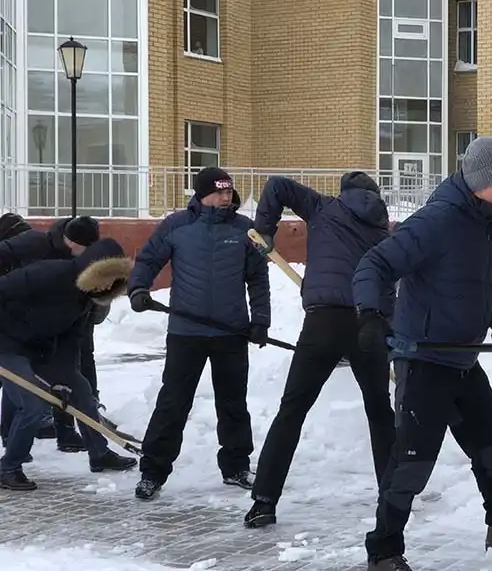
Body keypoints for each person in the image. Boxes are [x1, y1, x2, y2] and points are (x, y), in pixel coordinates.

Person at [353, 136, 492, 571]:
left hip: (463, 358)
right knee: (412, 462)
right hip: (424, 358)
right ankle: (384, 551)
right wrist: (369, 314)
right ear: (485, 181)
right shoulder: (437, 221)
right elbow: (375, 264)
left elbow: (487, 287)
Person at [243, 171, 396, 529]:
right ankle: (392, 495)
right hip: (368, 324)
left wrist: (266, 229)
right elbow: (391, 281)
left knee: (292, 410)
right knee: (379, 411)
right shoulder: (382, 231)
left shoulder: (325, 208)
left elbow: (277, 184)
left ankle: (264, 500)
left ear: (345, 192)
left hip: (322, 322)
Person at [127, 167, 271, 501]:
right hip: (185, 331)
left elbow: (258, 278)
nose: (226, 197)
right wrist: (138, 288)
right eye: (220, 192)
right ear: (202, 194)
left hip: (231, 332)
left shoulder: (245, 231)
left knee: (233, 402)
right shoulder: (177, 226)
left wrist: (260, 319)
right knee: (173, 402)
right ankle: (153, 470)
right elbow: (148, 260)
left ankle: (236, 466)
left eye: (229, 192)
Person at [0, 237, 138, 490]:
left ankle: (99, 454)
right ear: (90, 270)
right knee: (31, 405)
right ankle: (8, 467)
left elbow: (69, 345)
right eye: (104, 277)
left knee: (81, 390)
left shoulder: (83, 302)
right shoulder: (50, 273)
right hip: (6, 344)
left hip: (38, 350)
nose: (107, 285)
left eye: (113, 282)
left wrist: (62, 379)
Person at [0, 215, 103, 453]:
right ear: (71, 241)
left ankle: (72, 436)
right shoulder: (34, 244)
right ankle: (11, 446)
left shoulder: (79, 264)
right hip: (15, 329)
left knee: (73, 379)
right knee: (21, 389)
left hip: (54, 329)